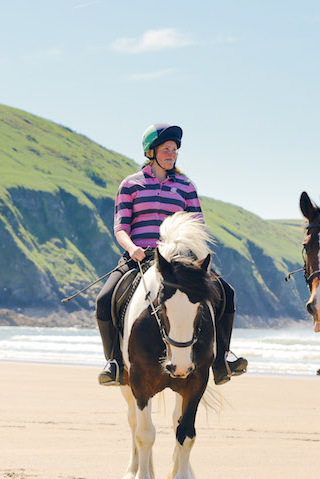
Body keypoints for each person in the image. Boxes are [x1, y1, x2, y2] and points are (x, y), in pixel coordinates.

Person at [95, 123, 248, 386]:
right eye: (166, 149)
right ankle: (114, 363)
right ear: (151, 152)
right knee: (104, 298)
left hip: (179, 260)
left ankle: (223, 358)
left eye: (175, 150)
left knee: (227, 292)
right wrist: (132, 248)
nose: (171, 154)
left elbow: (197, 225)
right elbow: (120, 227)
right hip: (140, 257)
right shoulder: (130, 185)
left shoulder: (186, 186)